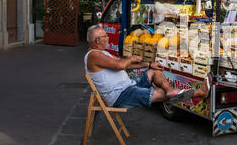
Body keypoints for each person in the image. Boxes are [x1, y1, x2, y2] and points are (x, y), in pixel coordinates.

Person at [84, 25, 212, 109]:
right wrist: (131, 58)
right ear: (97, 40)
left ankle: (170, 90)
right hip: (121, 95)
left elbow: (123, 63)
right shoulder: (93, 55)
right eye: (105, 36)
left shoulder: (102, 53)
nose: (107, 37)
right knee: (162, 94)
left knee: (154, 71)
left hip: (130, 85)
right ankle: (199, 92)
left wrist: (149, 64)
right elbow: (120, 65)